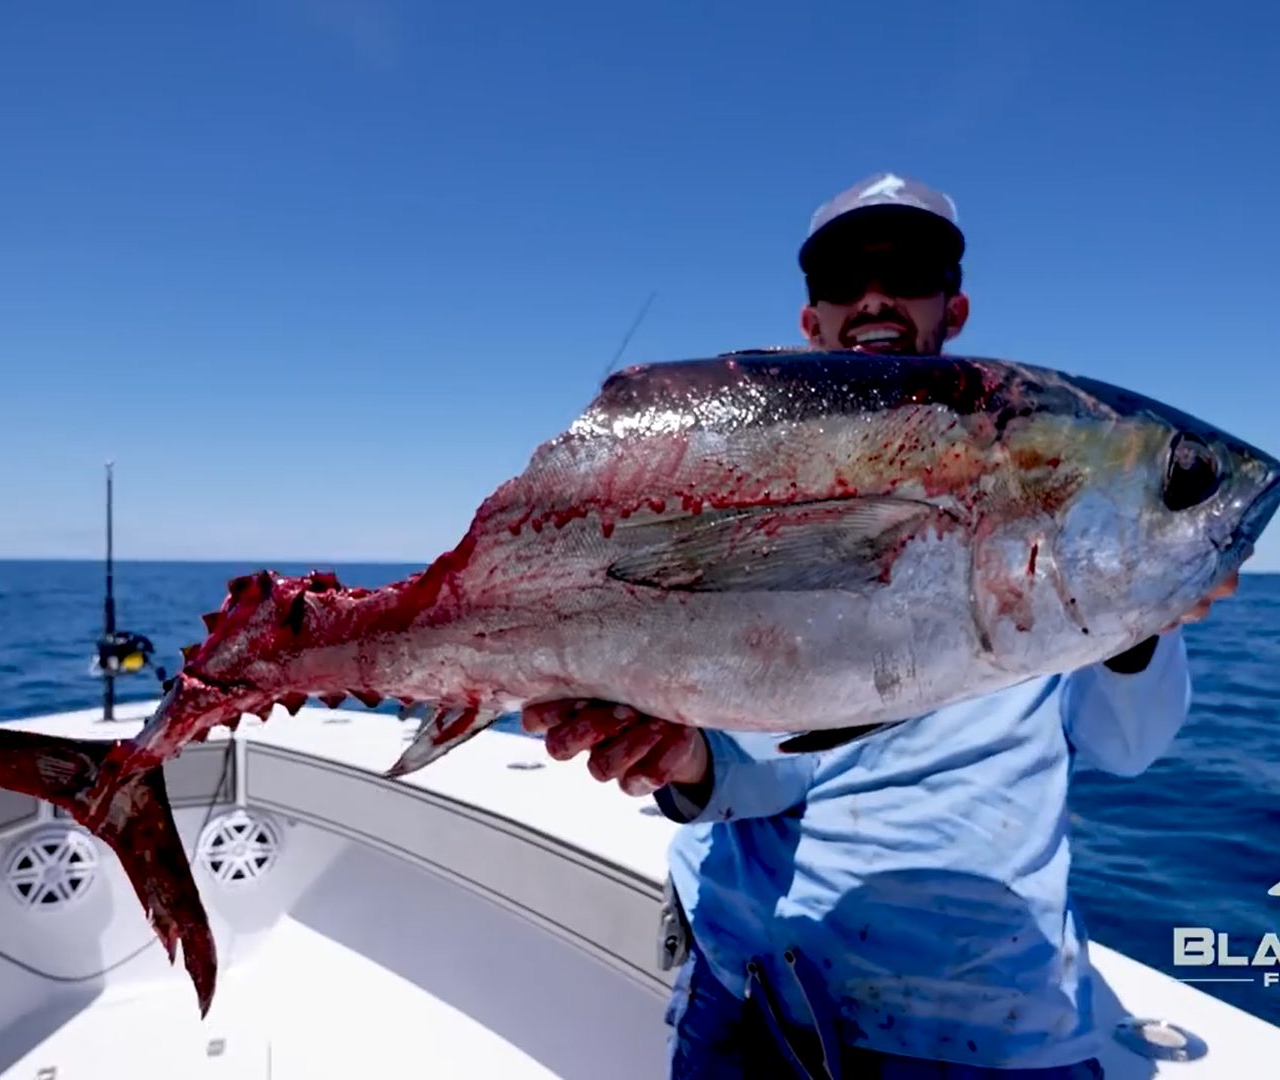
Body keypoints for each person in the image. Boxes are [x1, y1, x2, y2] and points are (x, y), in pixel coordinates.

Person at [523, 173, 1240, 1079]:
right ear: (809, 320)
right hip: (754, 986)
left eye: (907, 271)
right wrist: (689, 762)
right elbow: (768, 753)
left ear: (954, 305)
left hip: (990, 1015)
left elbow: (1129, 744)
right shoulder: (742, 476)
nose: (874, 297)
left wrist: (1137, 628)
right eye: (842, 278)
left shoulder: (1041, 487)